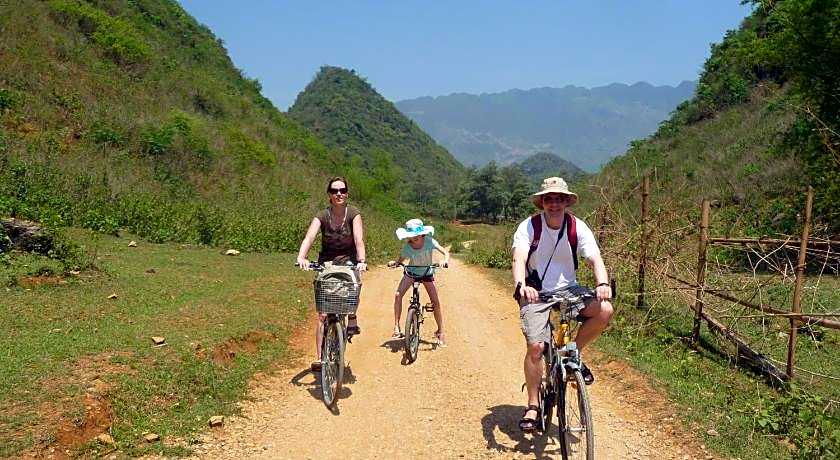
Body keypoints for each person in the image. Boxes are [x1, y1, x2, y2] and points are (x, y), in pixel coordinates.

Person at [511, 176, 613, 432]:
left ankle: (573, 352)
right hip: (537, 291)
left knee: (604, 310)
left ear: (567, 201)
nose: (554, 204)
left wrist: (602, 283)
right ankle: (533, 405)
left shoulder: (576, 226)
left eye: (559, 199)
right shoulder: (529, 226)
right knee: (536, 347)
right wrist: (522, 285)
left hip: (570, 290)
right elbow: (519, 258)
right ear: (542, 202)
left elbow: (595, 258)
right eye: (549, 199)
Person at [297, 176, 368, 371]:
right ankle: (321, 358)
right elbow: (309, 236)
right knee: (322, 313)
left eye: (342, 190)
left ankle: (352, 316)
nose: (339, 194)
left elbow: (359, 239)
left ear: (347, 193)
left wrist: (361, 261)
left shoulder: (353, 213)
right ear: (329, 194)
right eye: (335, 191)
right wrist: (302, 257)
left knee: (354, 283)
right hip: (326, 262)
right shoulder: (322, 215)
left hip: (349, 260)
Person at [387, 219, 450, 346]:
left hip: (427, 272)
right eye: (411, 235)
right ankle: (397, 326)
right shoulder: (407, 247)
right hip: (411, 272)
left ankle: (440, 331)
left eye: (416, 234)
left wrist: (445, 260)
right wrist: (395, 263)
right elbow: (400, 259)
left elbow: (445, 252)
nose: (413, 237)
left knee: (435, 302)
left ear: (422, 234)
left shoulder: (430, 242)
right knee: (398, 295)